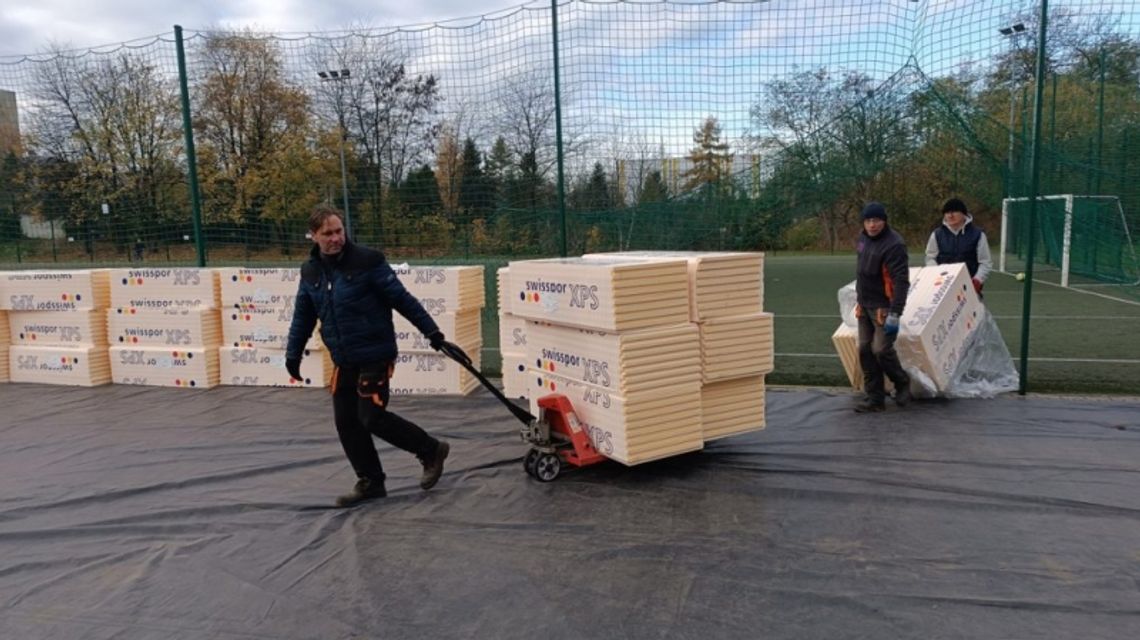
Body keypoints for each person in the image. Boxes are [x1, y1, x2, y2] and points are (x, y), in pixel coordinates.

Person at [285, 205, 450, 507]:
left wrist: (432, 333)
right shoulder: (310, 271)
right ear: (314, 236)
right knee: (346, 421)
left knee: (370, 416)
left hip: (376, 352)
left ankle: (430, 450)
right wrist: (292, 354)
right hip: (344, 358)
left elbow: (402, 300)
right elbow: (303, 316)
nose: (336, 238)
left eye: (339, 231)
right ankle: (371, 482)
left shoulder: (368, 261)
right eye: (328, 234)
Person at [854, 202, 912, 413]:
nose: (872, 225)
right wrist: (859, 299)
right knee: (864, 350)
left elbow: (901, 281)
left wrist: (895, 312)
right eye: (868, 221)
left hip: (883, 307)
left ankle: (902, 382)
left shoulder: (894, 245)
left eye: (876, 220)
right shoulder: (862, 239)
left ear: (884, 221)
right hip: (864, 304)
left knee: (881, 350)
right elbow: (861, 271)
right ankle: (875, 398)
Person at [925, 198, 993, 296]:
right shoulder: (936, 234)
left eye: (954, 211)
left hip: (969, 289)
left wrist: (977, 280)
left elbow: (985, 262)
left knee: (979, 311)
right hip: (942, 289)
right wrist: (938, 276)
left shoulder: (978, 235)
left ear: (963, 214)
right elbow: (930, 258)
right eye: (947, 212)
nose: (950, 215)